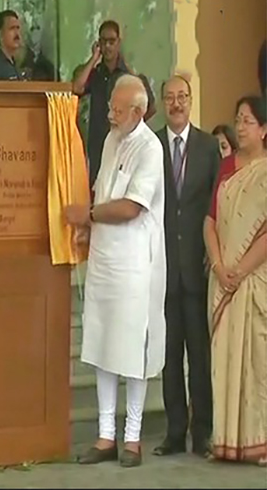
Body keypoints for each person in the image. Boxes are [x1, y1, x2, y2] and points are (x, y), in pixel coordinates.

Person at [65, 74, 166, 468]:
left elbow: (131, 207)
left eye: (117, 110)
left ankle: (132, 438)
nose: (109, 114)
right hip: (105, 260)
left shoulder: (150, 148)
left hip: (134, 265)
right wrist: (87, 229)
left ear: (138, 112)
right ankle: (105, 436)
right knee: (104, 347)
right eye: (110, 107)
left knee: (130, 350)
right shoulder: (110, 140)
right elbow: (103, 193)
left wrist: (87, 215)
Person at [153, 75, 221, 459]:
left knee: (200, 356)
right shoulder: (152, 145)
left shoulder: (209, 146)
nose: (177, 103)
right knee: (169, 358)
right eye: (170, 98)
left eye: (183, 96)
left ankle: (203, 432)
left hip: (196, 268)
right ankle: (174, 433)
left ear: (191, 101)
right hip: (163, 270)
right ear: (163, 103)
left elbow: (215, 208)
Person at [204, 95, 267, 466]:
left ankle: (260, 442)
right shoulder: (227, 166)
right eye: (237, 119)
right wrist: (217, 265)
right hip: (223, 276)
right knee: (224, 360)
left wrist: (240, 270)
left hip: (253, 280)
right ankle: (227, 441)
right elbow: (210, 220)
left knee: (258, 360)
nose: (240, 127)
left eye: (247, 121)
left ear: (263, 129)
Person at [72, 20, 156, 189]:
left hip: (124, 144)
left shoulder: (129, 75)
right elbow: (77, 87)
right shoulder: (95, 74)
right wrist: (94, 58)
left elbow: (150, 108)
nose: (107, 46)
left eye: (111, 41)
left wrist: (132, 126)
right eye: (103, 42)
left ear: (119, 42)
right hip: (99, 145)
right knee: (98, 191)